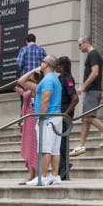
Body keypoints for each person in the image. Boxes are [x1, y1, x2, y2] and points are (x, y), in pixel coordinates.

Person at [69, 37, 103, 157]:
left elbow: (95, 72)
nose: (79, 48)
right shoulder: (96, 55)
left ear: (86, 43)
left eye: (80, 45)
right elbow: (102, 73)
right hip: (95, 90)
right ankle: (81, 145)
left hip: (91, 90)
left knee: (88, 117)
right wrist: (102, 91)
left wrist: (83, 87)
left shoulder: (93, 54)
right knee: (85, 118)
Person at [25, 56, 63, 186]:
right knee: (55, 149)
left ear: (46, 64)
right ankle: (55, 175)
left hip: (48, 118)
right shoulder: (54, 78)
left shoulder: (47, 79)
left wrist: (41, 117)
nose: (40, 63)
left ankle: (42, 176)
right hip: (56, 116)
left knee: (45, 148)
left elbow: (45, 99)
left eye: (43, 61)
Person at [15, 68, 39, 184]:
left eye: (31, 79)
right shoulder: (30, 92)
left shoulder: (37, 88)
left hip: (34, 119)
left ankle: (34, 176)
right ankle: (31, 175)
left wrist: (33, 71)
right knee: (29, 147)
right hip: (28, 120)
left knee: (34, 147)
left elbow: (21, 81)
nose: (28, 81)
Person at [56, 56, 78, 180]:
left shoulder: (68, 79)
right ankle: (61, 168)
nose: (55, 67)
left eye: (57, 65)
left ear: (62, 66)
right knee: (59, 143)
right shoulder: (59, 78)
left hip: (64, 115)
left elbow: (75, 98)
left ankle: (64, 167)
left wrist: (66, 114)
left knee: (63, 143)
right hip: (58, 114)